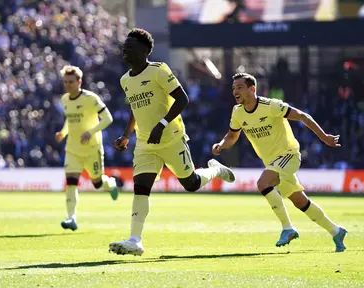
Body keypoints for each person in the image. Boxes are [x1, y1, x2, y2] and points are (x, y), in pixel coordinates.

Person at [109, 28, 235, 256]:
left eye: (130, 45)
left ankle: (215, 170)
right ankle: (135, 240)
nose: (125, 49)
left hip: (172, 139)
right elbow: (135, 110)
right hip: (145, 144)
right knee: (141, 188)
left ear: (145, 50)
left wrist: (162, 124)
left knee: (191, 184)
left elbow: (182, 98)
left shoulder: (159, 71)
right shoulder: (125, 80)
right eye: (125, 45)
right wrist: (127, 135)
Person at [212, 73, 347, 252]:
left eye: (239, 87)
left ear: (252, 89)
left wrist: (324, 137)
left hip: (289, 155)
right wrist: (221, 145)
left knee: (262, 183)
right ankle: (336, 231)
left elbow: (302, 115)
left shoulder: (271, 105)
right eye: (233, 88)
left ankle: (287, 228)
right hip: (272, 162)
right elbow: (232, 136)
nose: (235, 91)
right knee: (300, 201)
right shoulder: (238, 113)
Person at [55, 65, 118, 231]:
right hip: (73, 149)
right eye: (65, 82)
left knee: (97, 183)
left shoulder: (91, 98)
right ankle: (71, 218)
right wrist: (62, 133)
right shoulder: (65, 100)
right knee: (71, 183)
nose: (67, 85)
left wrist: (91, 132)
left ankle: (110, 184)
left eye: (70, 82)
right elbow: (70, 120)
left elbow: (108, 118)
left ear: (79, 82)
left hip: (92, 149)